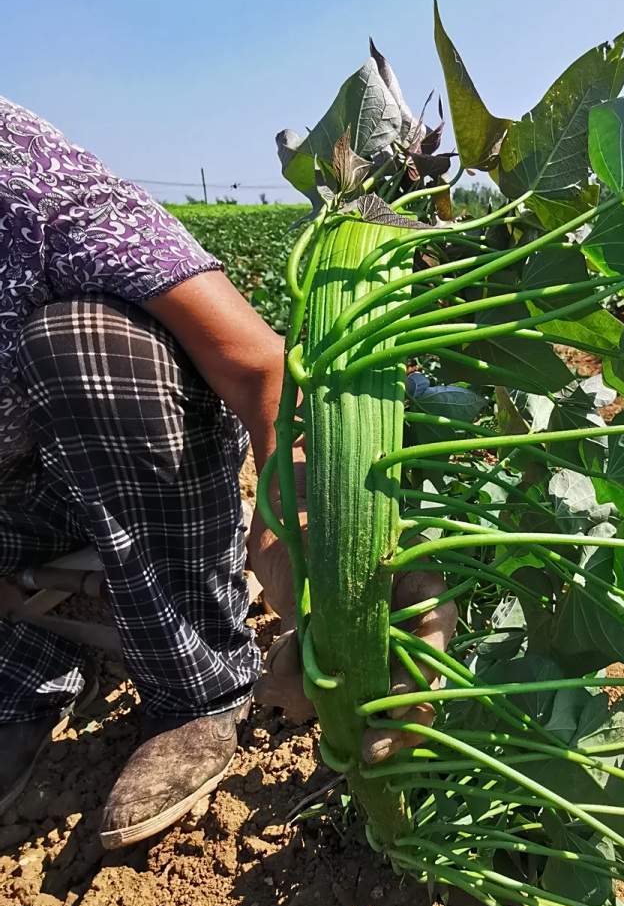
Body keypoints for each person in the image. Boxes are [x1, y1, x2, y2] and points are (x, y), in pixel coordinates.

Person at [0, 97, 453, 848]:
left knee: (86, 343)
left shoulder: (23, 180)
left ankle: (196, 686)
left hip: (93, 463)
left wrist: (320, 551)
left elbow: (257, 371)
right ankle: (29, 652)